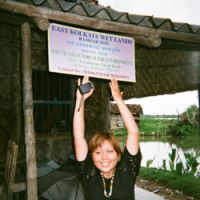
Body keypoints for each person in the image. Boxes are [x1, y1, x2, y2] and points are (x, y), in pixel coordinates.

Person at [73, 76, 142, 200]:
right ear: (91, 156)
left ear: (118, 155)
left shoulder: (127, 171)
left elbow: (133, 132)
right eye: (98, 152)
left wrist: (118, 100)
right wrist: (79, 101)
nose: (104, 157)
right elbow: (78, 137)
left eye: (110, 151)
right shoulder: (88, 173)